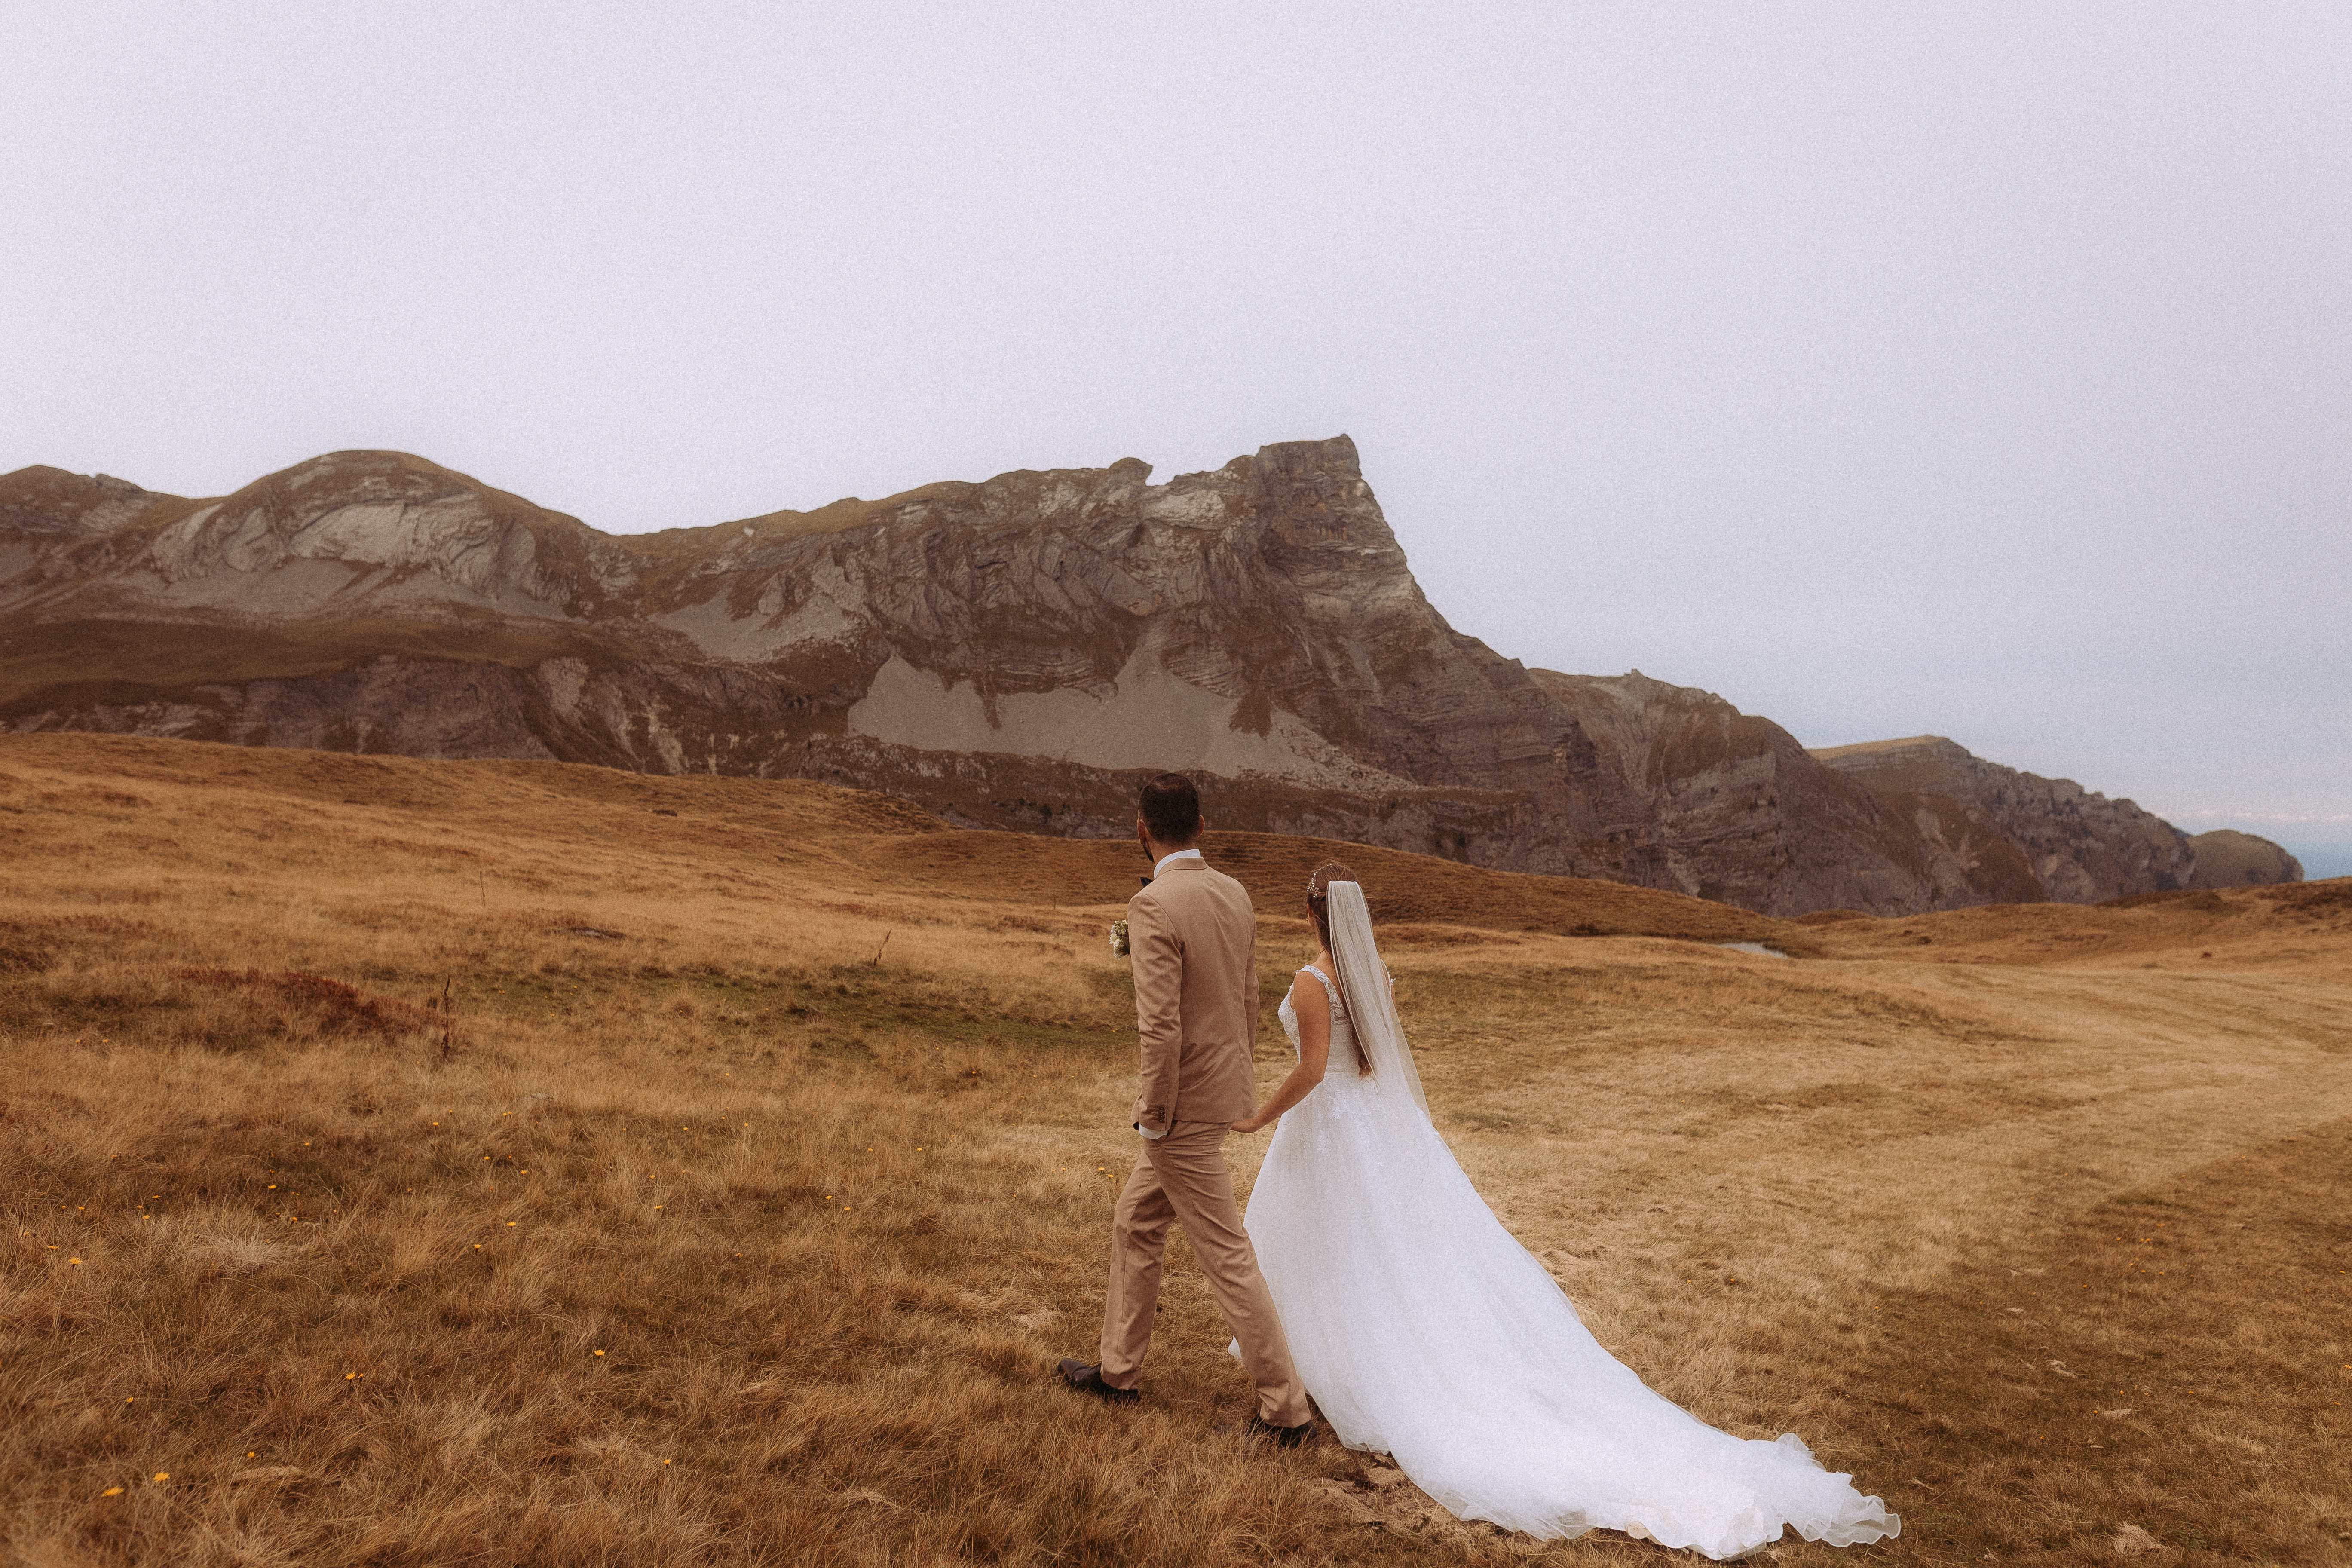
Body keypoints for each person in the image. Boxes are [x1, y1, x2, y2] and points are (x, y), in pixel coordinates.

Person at [1229, 863, 1902, 1559]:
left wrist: (1257, 1117)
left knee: (1341, 1246)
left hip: (1332, 1126)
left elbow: (1314, 1070)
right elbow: (1376, 1057)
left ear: (1310, 915)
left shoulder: (1312, 983)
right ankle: (1336, 1358)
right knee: (1381, 1249)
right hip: (1375, 1124)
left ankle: (1350, 1366)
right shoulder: (1373, 974)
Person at [1058, 773, 1313, 1446]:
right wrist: (1236, 1085)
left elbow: (1161, 1028)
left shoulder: (1152, 906)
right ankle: (1118, 1372)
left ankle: (1287, 1414)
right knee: (1136, 1220)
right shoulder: (1235, 893)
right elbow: (1247, 1000)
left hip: (1180, 1108)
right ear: (1202, 827)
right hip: (1219, 1090)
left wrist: (1155, 1110)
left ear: (1141, 830)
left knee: (1226, 1254)